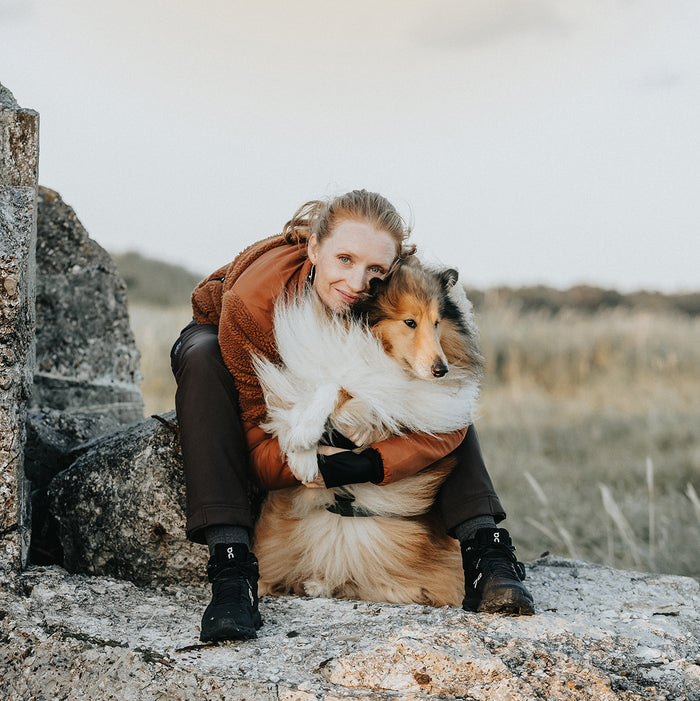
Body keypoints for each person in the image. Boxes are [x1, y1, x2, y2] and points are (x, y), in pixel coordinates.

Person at [171, 190, 534, 643]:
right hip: (235, 336)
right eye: (344, 259)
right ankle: (231, 569)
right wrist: (312, 463)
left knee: (437, 380)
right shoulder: (252, 304)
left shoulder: (398, 288)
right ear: (314, 248)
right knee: (203, 358)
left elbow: (450, 422)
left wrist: (367, 463)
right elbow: (259, 453)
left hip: (337, 359)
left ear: (394, 267)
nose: (358, 282)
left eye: (375, 269)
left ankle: (488, 552)